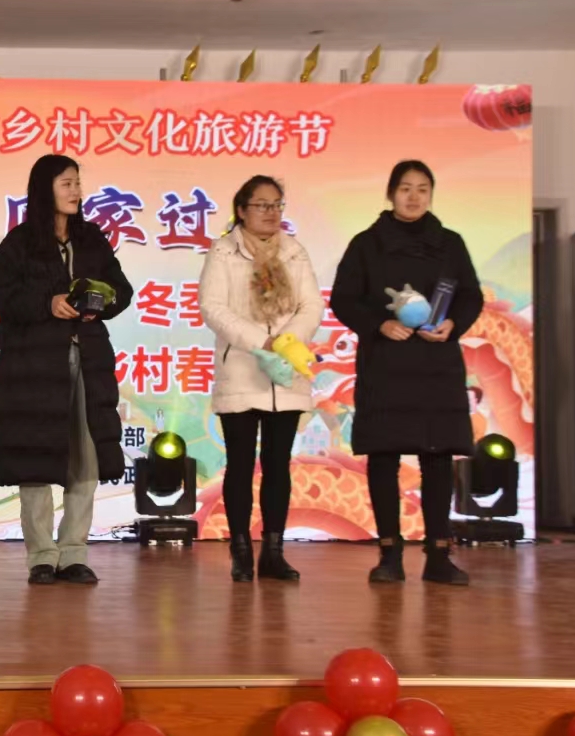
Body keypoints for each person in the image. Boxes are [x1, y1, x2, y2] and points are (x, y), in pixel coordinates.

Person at [330, 160, 483, 585]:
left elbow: (470, 295)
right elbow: (344, 299)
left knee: (437, 457)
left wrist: (454, 324)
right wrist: (379, 324)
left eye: (422, 189)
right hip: (387, 360)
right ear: (390, 193)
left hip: (436, 363)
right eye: (405, 188)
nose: (414, 197)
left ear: (431, 194)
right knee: (384, 456)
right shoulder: (367, 244)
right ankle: (389, 554)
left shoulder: (450, 243)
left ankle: (439, 554)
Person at [0, 154, 133, 585]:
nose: (76, 191)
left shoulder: (91, 239)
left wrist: (100, 302)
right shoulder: (19, 243)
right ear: (44, 189)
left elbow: (122, 290)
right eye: (66, 183)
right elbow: (4, 295)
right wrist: (47, 303)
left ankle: (73, 552)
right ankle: (41, 555)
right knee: (35, 459)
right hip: (34, 367)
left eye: (77, 183)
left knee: (85, 457)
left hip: (87, 360)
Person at [199, 176, 324, 582]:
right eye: (262, 205)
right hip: (241, 369)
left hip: (285, 373)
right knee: (239, 465)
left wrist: (286, 343)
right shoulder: (224, 251)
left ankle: (274, 551)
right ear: (242, 210)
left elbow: (312, 305)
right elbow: (213, 308)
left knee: (277, 465)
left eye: (277, 205)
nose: (271, 213)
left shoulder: (293, 251)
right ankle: (240, 550)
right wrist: (261, 342)